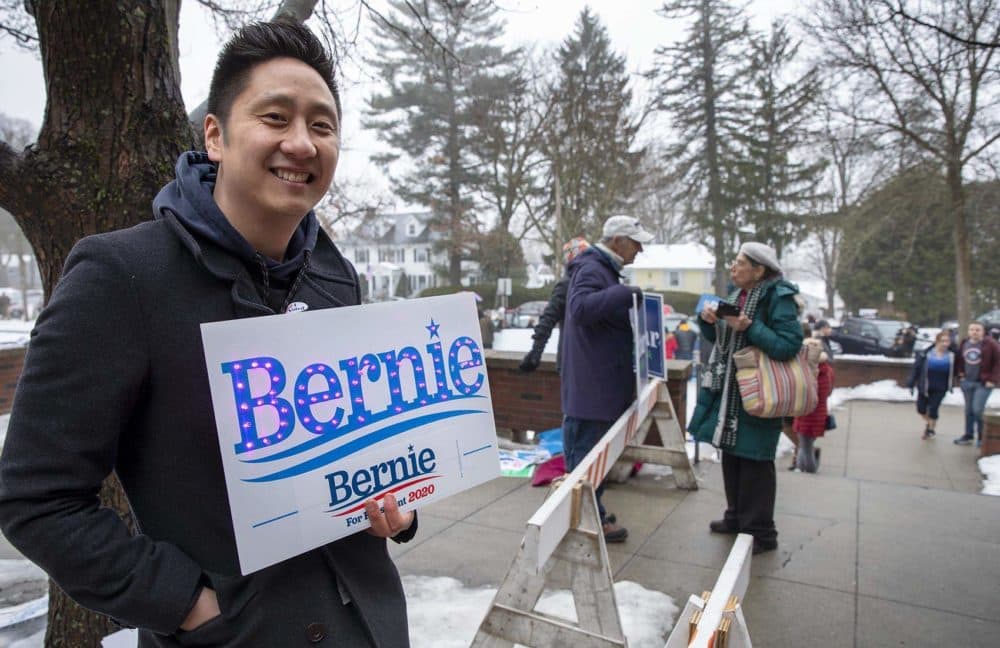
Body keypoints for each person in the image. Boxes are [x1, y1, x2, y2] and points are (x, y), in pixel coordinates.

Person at [0, 21, 416, 648]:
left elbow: (354, 455)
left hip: (369, 627)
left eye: (323, 126)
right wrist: (187, 603)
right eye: (275, 117)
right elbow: (36, 498)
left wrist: (396, 505)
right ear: (215, 136)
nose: (302, 143)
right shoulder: (121, 277)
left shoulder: (336, 279)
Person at [689, 242, 804, 555]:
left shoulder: (779, 296)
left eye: (740, 263)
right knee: (733, 455)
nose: (733, 268)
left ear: (759, 270)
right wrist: (709, 322)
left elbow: (788, 345)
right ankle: (737, 517)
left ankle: (761, 532)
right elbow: (723, 340)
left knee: (756, 460)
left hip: (760, 391)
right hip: (732, 393)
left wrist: (750, 326)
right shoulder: (735, 295)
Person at [561, 215, 653, 543]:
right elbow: (581, 309)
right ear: (617, 241)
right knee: (585, 464)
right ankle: (587, 520)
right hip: (591, 391)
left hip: (597, 387)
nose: (639, 250)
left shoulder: (602, 269)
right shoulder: (591, 269)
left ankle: (589, 516)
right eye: (635, 242)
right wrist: (624, 294)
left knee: (591, 462)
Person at [519, 237, 589, 373]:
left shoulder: (591, 281)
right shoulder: (567, 285)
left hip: (585, 361)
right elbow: (548, 318)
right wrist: (536, 351)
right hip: (572, 363)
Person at [953, 321, 1000, 446]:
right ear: (968, 331)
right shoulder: (964, 343)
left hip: (983, 383)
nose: (974, 332)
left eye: (978, 330)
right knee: (968, 410)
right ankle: (968, 435)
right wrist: (960, 374)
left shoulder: (990, 344)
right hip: (967, 382)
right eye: (972, 329)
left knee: (978, 409)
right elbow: (959, 360)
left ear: (983, 331)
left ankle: (981, 436)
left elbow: (998, 362)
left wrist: (993, 379)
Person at [793, 337, 834, 472]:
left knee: (805, 448)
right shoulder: (826, 370)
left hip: (809, 415)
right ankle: (801, 468)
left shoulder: (814, 372)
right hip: (815, 414)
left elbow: (812, 393)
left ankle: (809, 469)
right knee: (805, 446)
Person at [907, 329, 955, 440]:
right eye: (942, 341)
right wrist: (911, 381)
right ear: (937, 341)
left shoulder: (952, 355)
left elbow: (957, 369)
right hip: (925, 384)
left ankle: (930, 428)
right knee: (921, 409)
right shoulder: (926, 354)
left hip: (941, 386)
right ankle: (929, 422)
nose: (944, 344)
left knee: (933, 408)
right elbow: (916, 368)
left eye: (947, 341)